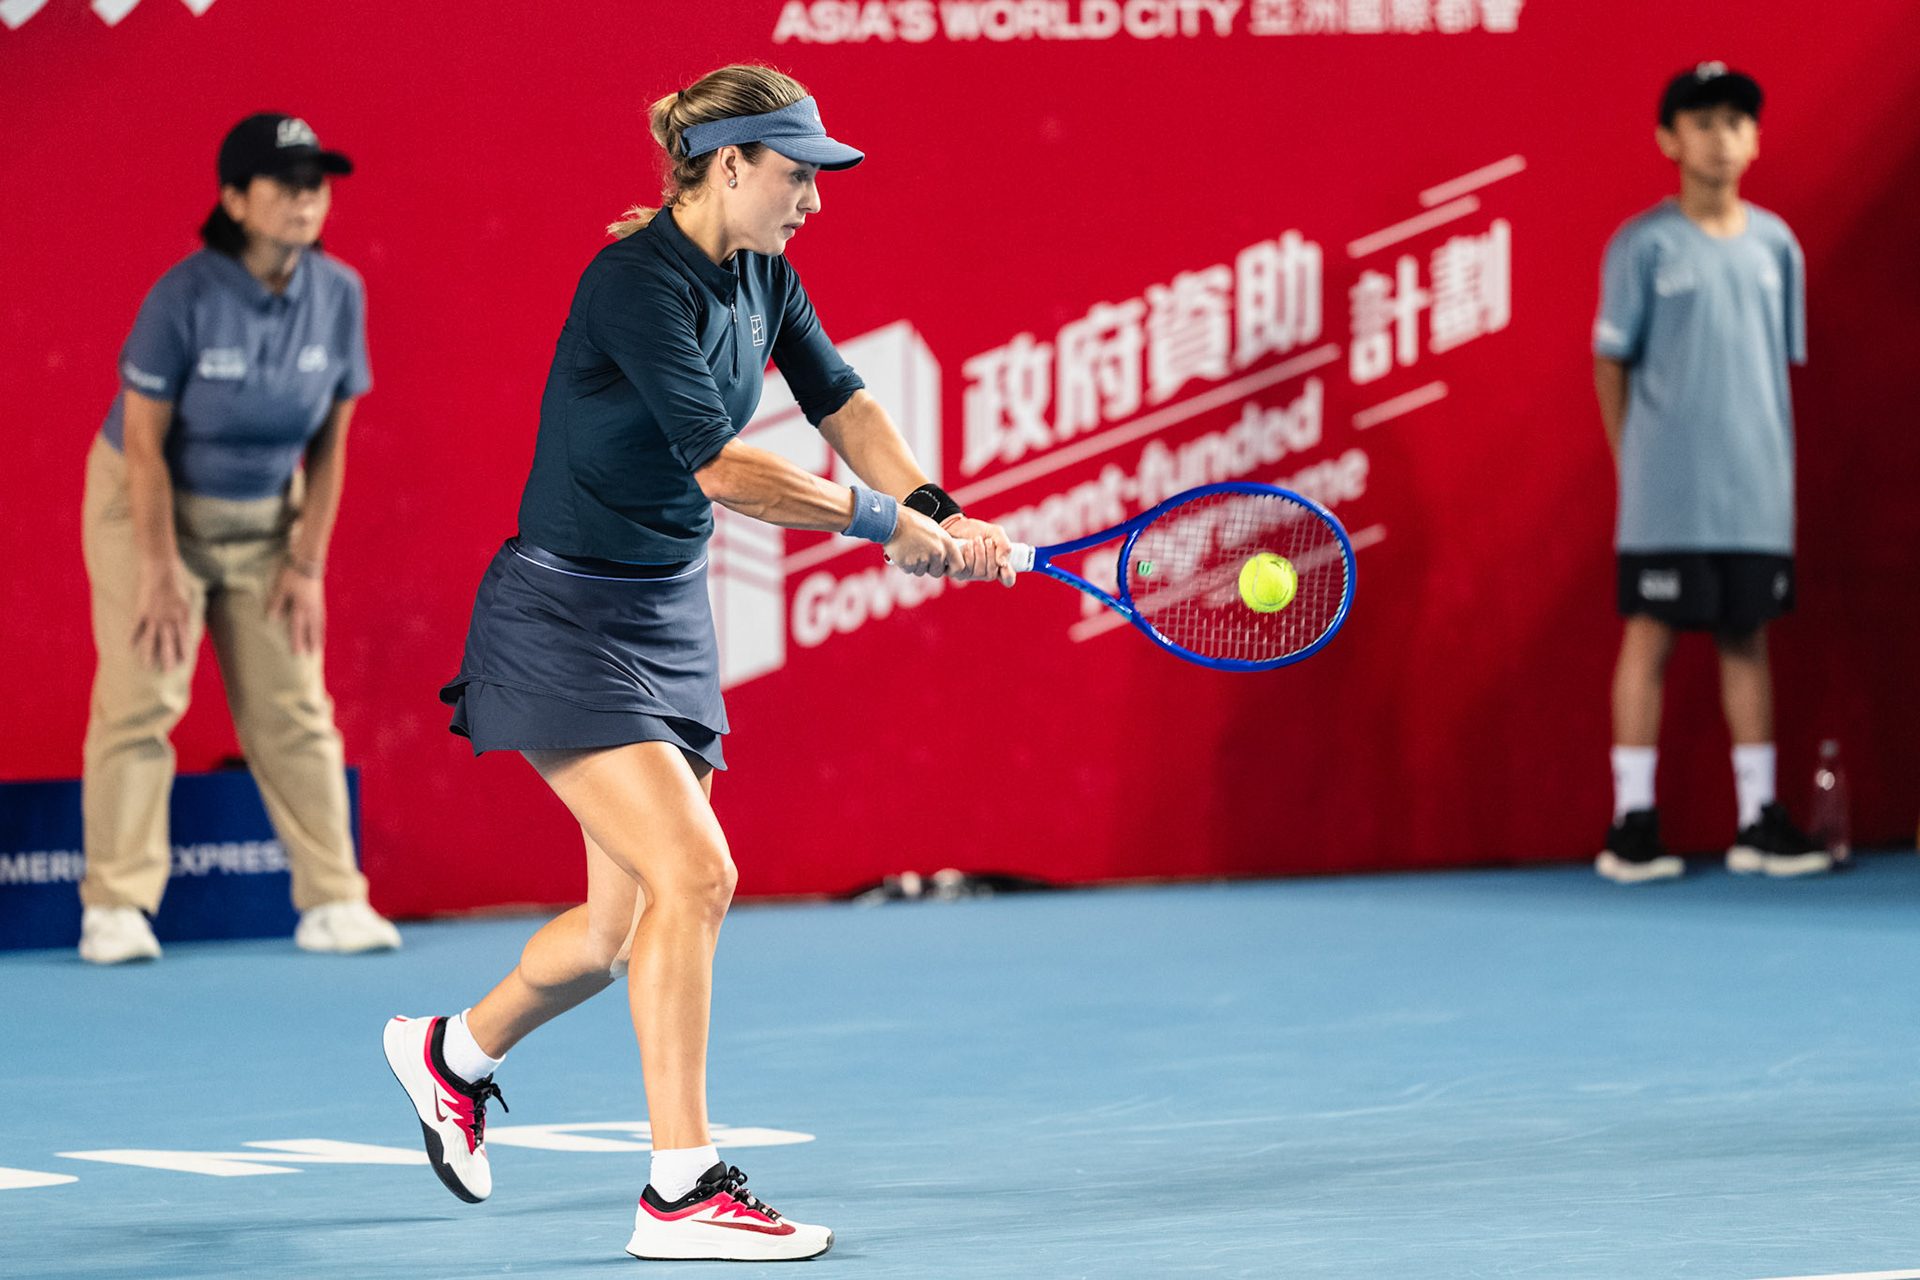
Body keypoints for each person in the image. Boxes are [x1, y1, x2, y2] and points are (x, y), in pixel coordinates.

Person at [382, 65, 1012, 1262]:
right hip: (563, 617)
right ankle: (680, 1189)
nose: (815, 201)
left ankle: (452, 1051)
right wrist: (887, 530)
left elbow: (847, 403)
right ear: (728, 166)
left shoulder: (765, 274)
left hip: (667, 616)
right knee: (701, 873)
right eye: (797, 174)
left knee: (621, 926)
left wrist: (935, 503)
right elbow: (724, 468)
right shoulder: (631, 284)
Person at [79, 114, 403, 963]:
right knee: (144, 694)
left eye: (316, 183)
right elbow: (143, 445)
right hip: (151, 506)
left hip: (267, 514)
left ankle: (334, 899)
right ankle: (114, 906)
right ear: (233, 199)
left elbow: (332, 442)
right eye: (284, 183)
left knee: (295, 705)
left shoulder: (341, 294)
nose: (306, 198)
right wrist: (155, 568)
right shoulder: (181, 296)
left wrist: (306, 562)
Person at [1591, 64, 1827, 885]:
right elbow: (1610, 362)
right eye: (1702, 121)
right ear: (1669, 139)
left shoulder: (1777, 246)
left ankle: (1759, 820)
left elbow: (1775, 365)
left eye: (1736, 121)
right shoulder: (1642, 245)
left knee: (1745, 638)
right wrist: (1637, 464)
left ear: (1754, 139)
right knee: (1649, 638)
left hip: (1757, 490)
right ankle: (1632, 823)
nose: (1720, 136)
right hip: (1665, 493)